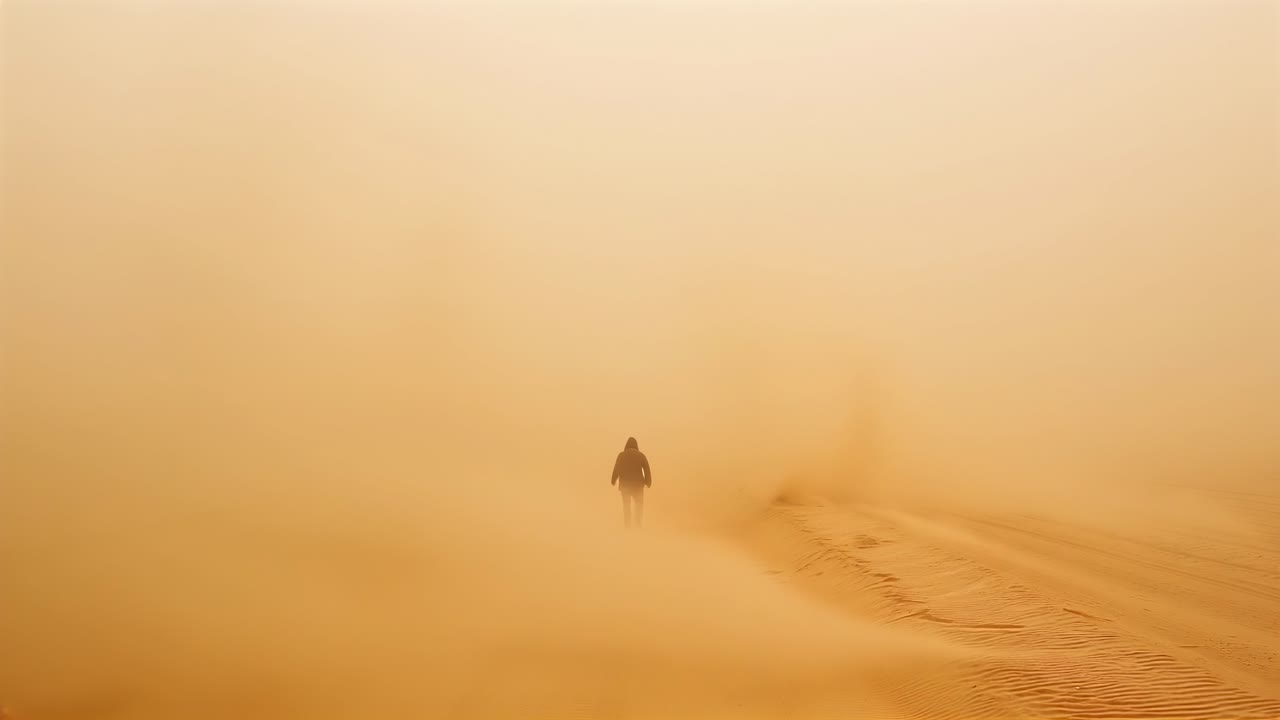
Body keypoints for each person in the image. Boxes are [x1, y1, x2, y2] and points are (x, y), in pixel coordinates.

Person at [611, 436, 651, 529]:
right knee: (639, 506)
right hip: (638, 486)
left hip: (625, 486)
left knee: (626, 506)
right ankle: (638, 525)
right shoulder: (641, 455)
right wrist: (648, 482)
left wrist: (613, 480)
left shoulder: (621, 455)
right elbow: (647, 470)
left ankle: (627, 526)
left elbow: (616, 469)